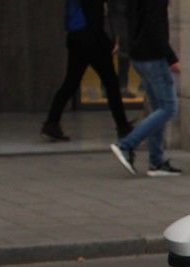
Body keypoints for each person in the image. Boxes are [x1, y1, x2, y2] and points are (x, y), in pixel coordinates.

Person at [40, 0, 135, 143]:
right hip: (92, 43)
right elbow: (95, 25)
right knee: (111, 84)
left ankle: (51, 124)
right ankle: (123, 127)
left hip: (76, 39)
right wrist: (109, 46)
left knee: (70, 83)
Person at [110, 0, 181, 177]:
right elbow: (154, 26)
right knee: (169, 108)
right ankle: (126, 145)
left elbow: (128, 19)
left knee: (158, 108)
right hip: (153, 56)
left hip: (139, 55)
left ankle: (156, 161)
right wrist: (171, 58)